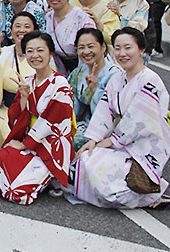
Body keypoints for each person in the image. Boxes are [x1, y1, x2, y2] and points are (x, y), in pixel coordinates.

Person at [65, 28, 170, 208]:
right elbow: (105, 110)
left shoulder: (150, 80)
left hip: (145, 147)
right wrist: (94, 138)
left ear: (141, 50)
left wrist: (112, 140)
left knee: (107, 186)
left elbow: (138, 120)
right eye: (118, 48)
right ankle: (143, 195)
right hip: (124, 142)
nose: (122, 53)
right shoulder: (118, 79)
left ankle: (150, 195)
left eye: (128, 48)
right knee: (85, 158)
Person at [0, 31, 74, 205]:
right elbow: (15, 117)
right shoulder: (28, 81)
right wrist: (23, 99)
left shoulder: (61, 85)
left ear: (50, 53)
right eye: (29, 51)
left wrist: (24, 144)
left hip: (50, 145)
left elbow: (51, 121)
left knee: (17, 190)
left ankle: (49, 175)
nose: (35, 56)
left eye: (40, 51)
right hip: (30, 139)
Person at [0, 12, 42, 144]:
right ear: (11, 30)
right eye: (17, 26)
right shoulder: (3, 52)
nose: (22, 30)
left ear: (35, 31)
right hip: (6, 109)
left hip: (32, 110)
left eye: (27, 26)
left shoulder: (42, 55)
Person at [68, 28, 120, 151]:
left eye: (91, 46)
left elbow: (114, 112)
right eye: (81, 47)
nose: (86, 51)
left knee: (75, 141)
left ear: (103, 47)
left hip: (106, 128)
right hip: (82, 123)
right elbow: (71, 104)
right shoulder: (78, 73)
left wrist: (95, 90)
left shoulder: (115, 75)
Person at [44, 0, 96, 75]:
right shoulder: (47, 17)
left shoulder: (82, 17)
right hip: (58, 68)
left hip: (84, 68)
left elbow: (91, 49)